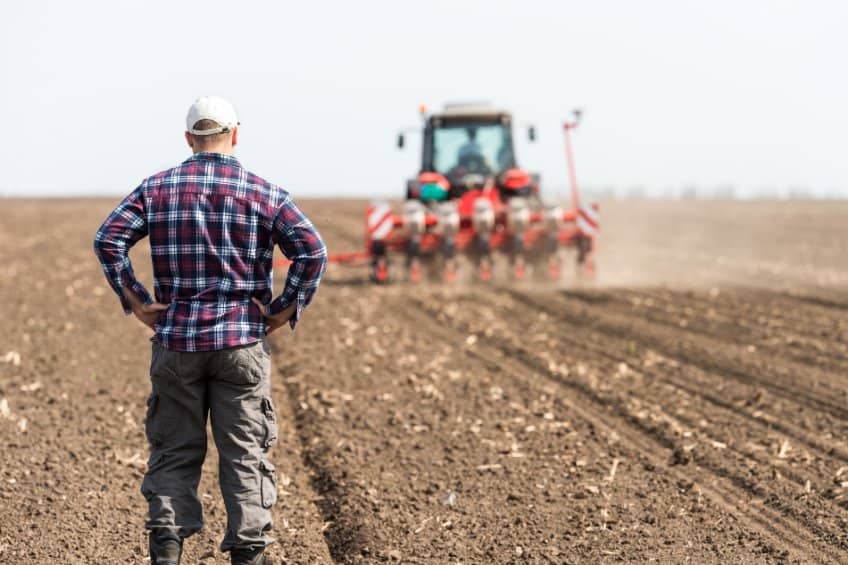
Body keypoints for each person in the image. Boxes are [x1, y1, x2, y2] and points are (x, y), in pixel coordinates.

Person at [93, 96, 327, 565]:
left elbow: (108, 239)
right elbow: (312, 251)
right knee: (245, 454)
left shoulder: (156, 189)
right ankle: (249, 553)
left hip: (176, 343)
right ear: (235, 135)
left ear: (189, 139)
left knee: (174, 452)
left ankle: (166, 551)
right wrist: (282, 309)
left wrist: (136, 300)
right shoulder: (264, 193)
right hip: (241, 342)